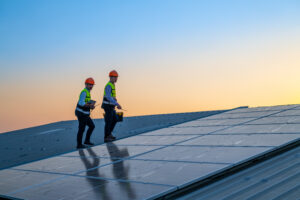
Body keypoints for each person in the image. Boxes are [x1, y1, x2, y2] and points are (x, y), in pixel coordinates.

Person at [75, 78, 96, 149]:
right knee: (81, 128)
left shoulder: (88, 92)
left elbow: (86, 103)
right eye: (89, 84)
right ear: (86, 84)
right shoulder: (84, 92)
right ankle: (79, 145)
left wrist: (91, 106)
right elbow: (81, 103)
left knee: (92, 126)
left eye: (92, 85)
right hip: (81, 114)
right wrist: (89, 105)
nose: (91, 86)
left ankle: (87, 141)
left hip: (85, 114)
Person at [101, 70, 122, 142]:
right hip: (107, 106)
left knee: (115, 119)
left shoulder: (113, 85)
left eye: (116, 77)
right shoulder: (108, 85)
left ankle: (109, 133)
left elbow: (111, 96)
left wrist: (114, 99)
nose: (116, 79)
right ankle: (106, 137)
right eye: (115, 77)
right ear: (110, 77)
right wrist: (117, 104)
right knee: (108, 121)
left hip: (111, 106)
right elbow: (108, 97)